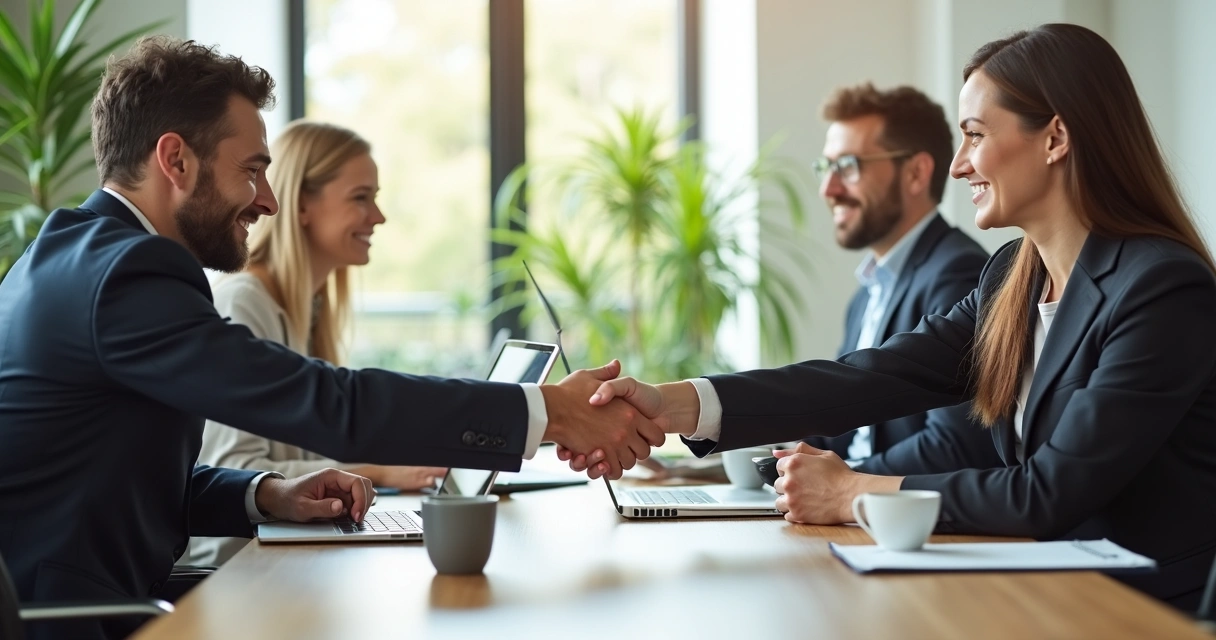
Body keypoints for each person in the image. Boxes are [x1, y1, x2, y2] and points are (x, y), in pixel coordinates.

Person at [0, 37, 658, 639]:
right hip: (81, 622)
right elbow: (330, 404)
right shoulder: (127, 274)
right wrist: (546, 413)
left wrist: (265, 495)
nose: (267, 200)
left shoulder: (70, 255)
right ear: (175, 158)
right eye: (251, 170)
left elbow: (111, 479)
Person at [568, 23, 1216, 609]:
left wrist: (853, 491)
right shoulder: (1010, 278)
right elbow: (868, 378)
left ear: (1055, 138)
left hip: (1134, 610)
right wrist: (673, 404)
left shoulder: (1162, 289)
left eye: (975, 136)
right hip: (1024, 583)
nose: (960, 165)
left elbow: (1047, 493)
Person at [183, 121, 447, 566]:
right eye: (360, 197)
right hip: (235, 570)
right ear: (302, 205)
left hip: (284, 557)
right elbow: (240, 469)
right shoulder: (243, 303)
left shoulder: (308, 307)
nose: (378, 216)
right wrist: (378, 470)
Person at [804, 82, 999, 474]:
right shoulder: (867, 294)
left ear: (915, 173)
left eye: (848, 166)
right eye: (827, 166)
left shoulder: (959, 275)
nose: (829, 188)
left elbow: (954, 447)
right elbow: (834, 427)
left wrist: (842, 484)